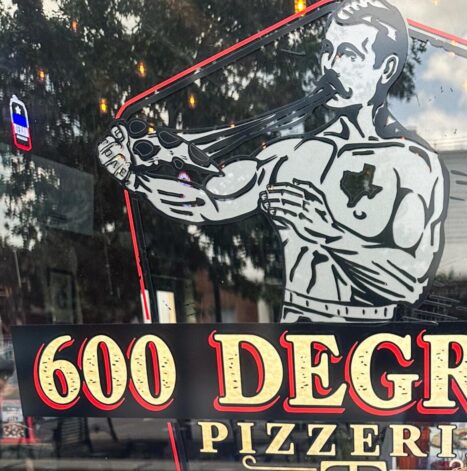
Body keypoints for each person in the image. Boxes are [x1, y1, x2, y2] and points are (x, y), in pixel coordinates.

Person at [97, 0, 448, 323]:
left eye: (349, 54)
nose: (331, 65)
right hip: (295, 339)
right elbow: (209, 199)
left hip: (371, 349)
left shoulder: (413, 163)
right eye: (328, 50)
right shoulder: (292, 154)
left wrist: (325, 231)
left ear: (385, 68)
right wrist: (135, 176)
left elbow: (410, 282)